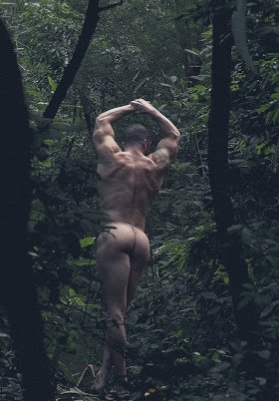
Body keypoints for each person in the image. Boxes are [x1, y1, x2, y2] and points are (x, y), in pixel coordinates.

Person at [91, 98, 180, 395]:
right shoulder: (155, 163)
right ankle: (103, 375)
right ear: (146, 142)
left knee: (114, 313)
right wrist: (152, 109)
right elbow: (174, 135)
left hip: (114, 233)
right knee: (120, 314)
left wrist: (130, 107)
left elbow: (102, 120)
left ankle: (124, 384)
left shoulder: (112, 156)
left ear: (122, 141)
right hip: (140, 239)